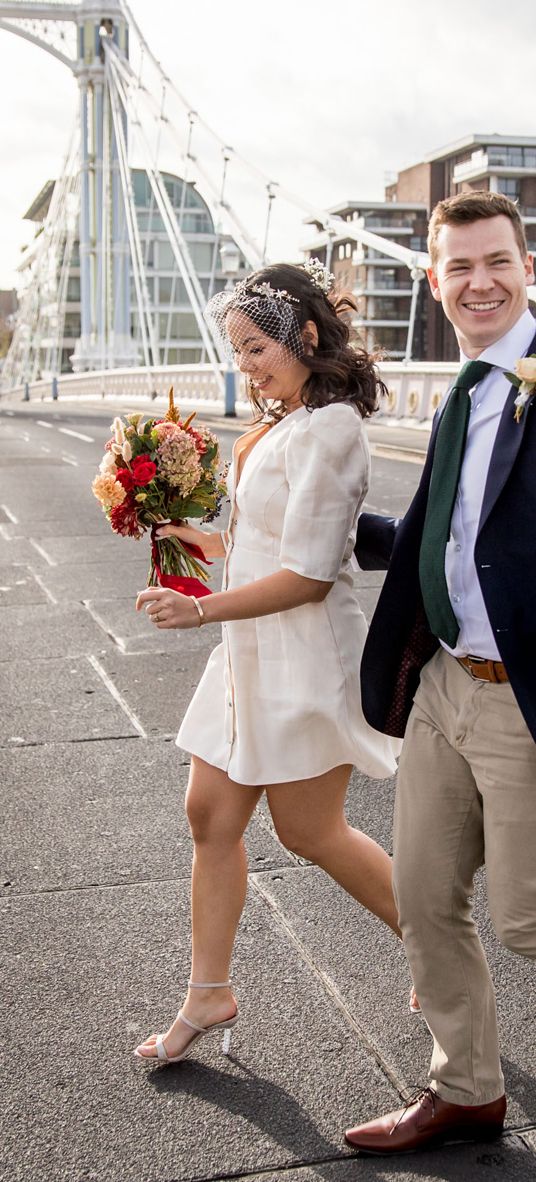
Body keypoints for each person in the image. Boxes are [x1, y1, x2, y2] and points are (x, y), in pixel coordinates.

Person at [133, 260, 407, 1065]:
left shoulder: (332, 428)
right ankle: (208, 993)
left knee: (310, 832)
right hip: (249, 650)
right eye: (238, 352)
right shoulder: (282, 421)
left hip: (303, 653)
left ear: (307, 335)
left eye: (257, 348)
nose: (246, 366)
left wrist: (199, 609)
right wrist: (199, 541)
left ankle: (439, 950)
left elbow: (311, 574)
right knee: (210, 815)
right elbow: (263, 541)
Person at [345, 190, 536, 1155]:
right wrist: (321, 529)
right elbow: (453, 538)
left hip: (524, 699)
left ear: (529, 267)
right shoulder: (463, 394)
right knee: (422, 898)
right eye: (459, 266)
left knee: (527, 919)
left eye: (497, 261)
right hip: (447, 682)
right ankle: (466, 1091)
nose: (480, 282)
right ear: (434, 281)